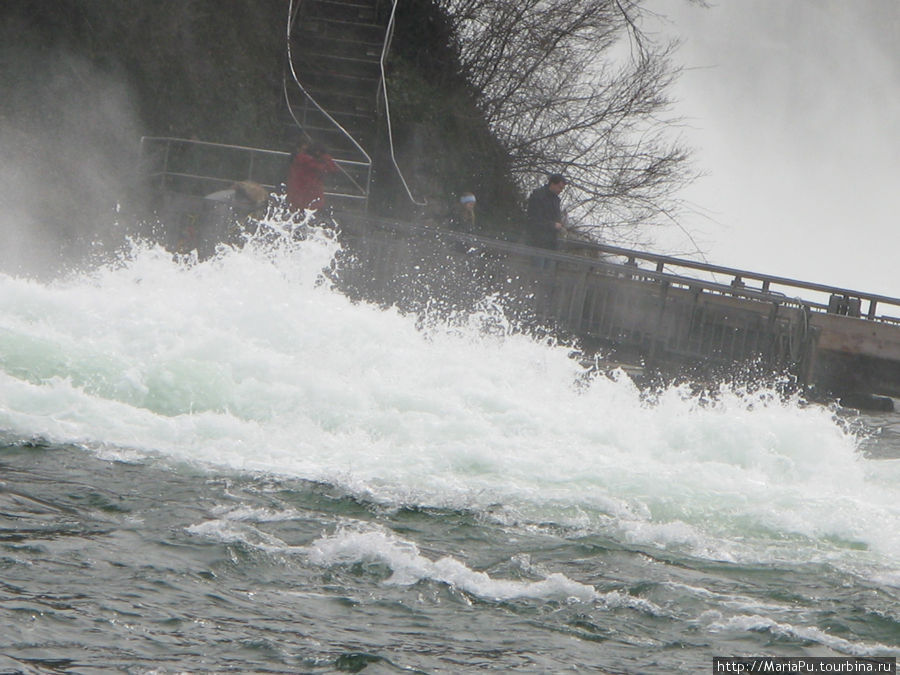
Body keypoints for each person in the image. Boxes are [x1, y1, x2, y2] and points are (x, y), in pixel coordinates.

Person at [286, 141, 338, 212]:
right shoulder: (307, 160)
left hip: (304, 193)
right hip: (306, 193)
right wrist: (326, 157)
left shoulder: (301, 158)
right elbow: (330, 169)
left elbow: (332, 169)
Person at [525, 173, 567, 249]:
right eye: (560, 187)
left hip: (551, 242)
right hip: (537, 241)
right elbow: (534, 219)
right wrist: (553, 225)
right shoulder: (538, 195)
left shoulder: (556, 200)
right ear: (552, 184)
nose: (561, 191)